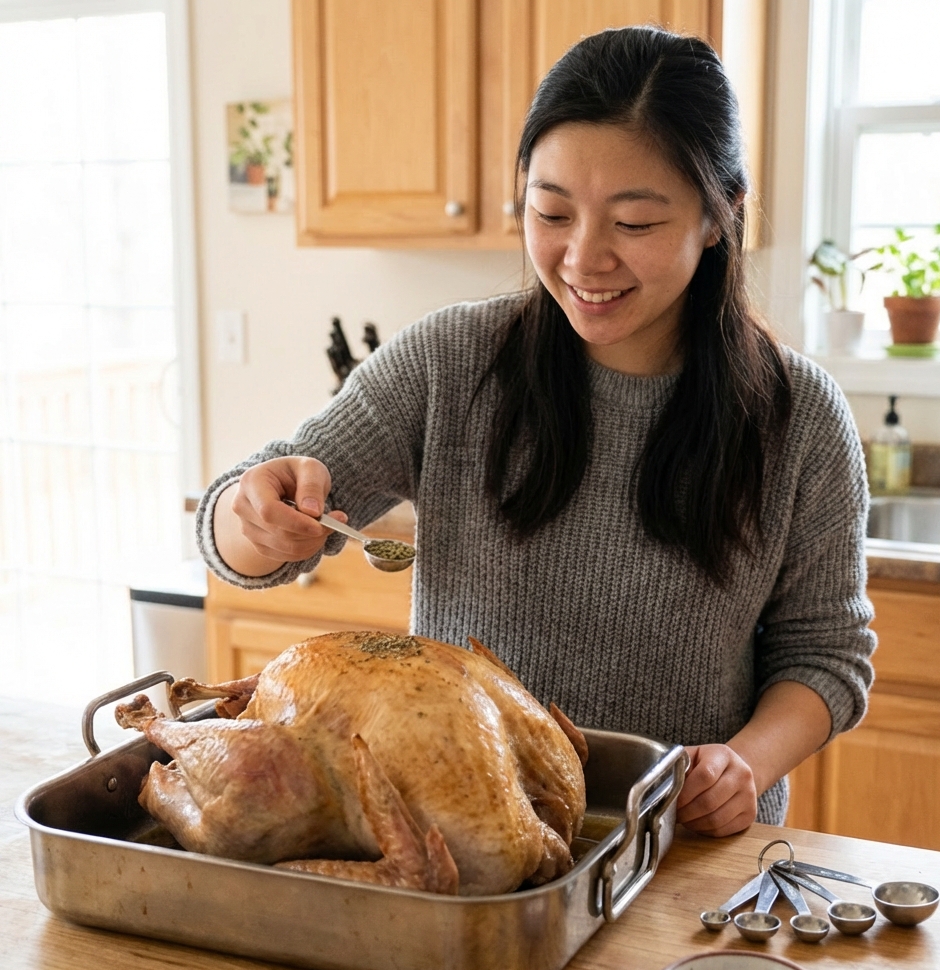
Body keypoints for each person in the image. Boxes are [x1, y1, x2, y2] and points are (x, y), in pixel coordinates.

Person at [198, 27, 875, 836]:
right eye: (551, 211)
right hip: (454, 832)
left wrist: (747, 762)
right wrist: (257, 521)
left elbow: (825, 656)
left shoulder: (798, 417)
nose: (583, 258)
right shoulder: (454, 362)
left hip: (678, 843)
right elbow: (238, 526)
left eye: (634, 224)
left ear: (719, 217)